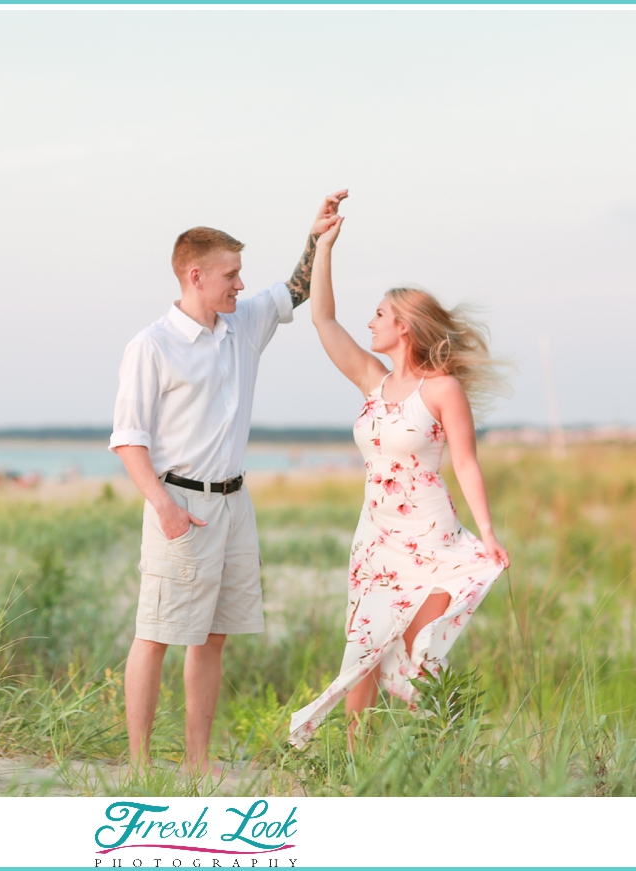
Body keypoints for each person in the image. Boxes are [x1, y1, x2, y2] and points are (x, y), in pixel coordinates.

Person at [110, 190, 349, 774]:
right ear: (195, 275)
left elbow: (295, 290)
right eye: (230, 275)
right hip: (180, 505)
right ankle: (139, 766)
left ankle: (196, 760)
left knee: (213, 637)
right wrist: (163, 506)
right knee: (156, 633)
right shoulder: (152, 345)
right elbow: (128, 439)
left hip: (235, 504)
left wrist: (318, 238)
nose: (240, 285)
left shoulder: (242, 324)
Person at [288, 210, 510, 751]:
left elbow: (466, 463)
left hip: (429, 534)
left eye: (381, 314)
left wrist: (487, 531)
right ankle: (356, 760)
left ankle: (446, 747)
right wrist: (323, 246)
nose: (371, 322)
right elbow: (323, 321)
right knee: (363, 642)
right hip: (375, 537)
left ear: (404, 326)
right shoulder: (373, 379)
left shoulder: (441, 390)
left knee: (417, 643)